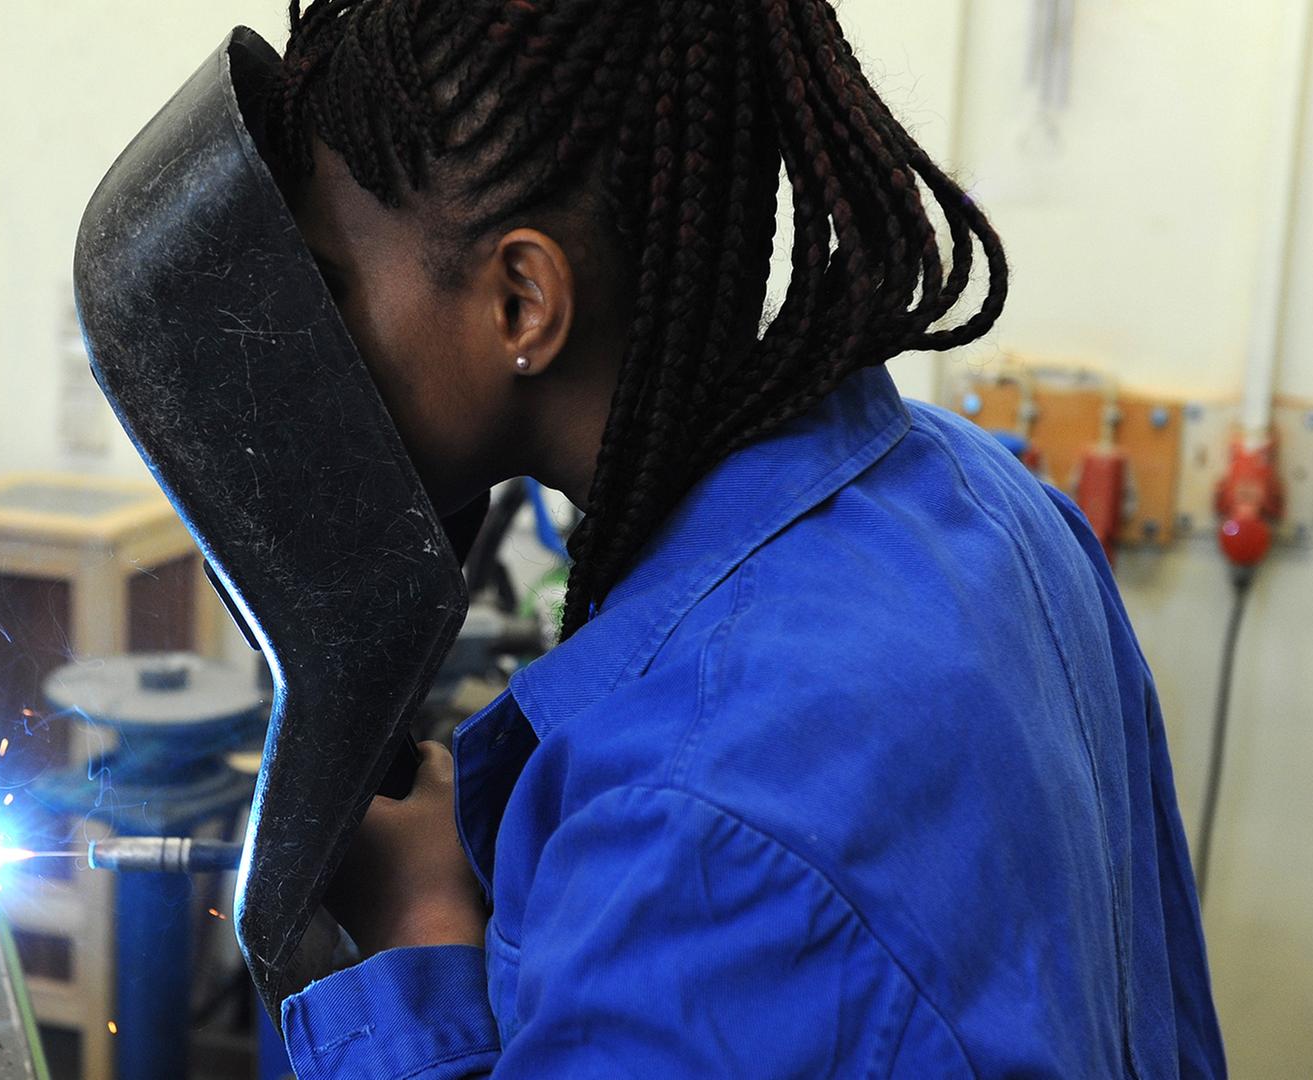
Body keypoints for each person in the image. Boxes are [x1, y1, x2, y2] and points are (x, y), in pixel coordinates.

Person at [262, 0, 1226, 1075]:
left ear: (522, 302)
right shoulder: (988, 493)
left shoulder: (693, 822)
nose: (308, 337)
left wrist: (423, 931)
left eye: (332, 284)